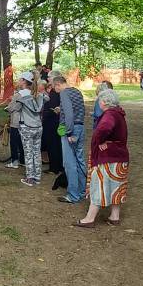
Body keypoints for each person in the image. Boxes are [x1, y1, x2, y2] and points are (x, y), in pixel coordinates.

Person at [74, 88, 129, 228]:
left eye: (99, 100)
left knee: (98, 186)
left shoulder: (109, 114)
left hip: (108, 158)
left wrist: (99, 141)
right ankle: (114, 217)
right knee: (116, 187)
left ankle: (90, 218)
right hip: (120, 157)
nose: (98, 103)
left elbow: (103, 129)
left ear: (104, 101)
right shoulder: (119, 113)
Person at [55, 74, 87, 204]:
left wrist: (68, 133)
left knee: (69, 163)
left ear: (58, 84)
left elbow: (68, 114)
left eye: (53, 87)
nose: (54, 90)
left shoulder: (64, 93)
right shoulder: (77, 91)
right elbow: (79, 110)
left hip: (70, 130)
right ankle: (83, 190)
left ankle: (73, 195)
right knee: (80, 161)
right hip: (80, 127)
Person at [13, 72, 45, 185]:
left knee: (28, 152)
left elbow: (13, 108)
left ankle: (29, 178)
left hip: (26, 126)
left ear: (23, 81)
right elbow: (46, 100)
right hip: (38, 126)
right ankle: (37, 176)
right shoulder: (39, 94)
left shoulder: (21, 95)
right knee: (37, 152)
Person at [4, 71, 30, 171]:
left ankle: (15, 161)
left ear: (23, 81)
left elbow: (12, 107)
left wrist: (7, 108)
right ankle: (23, 160)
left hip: (17, 120)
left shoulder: (19, 94)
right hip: (28, 121)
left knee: (14, 141)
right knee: (23, 141)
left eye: (20, 79)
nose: (18, 81)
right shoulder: (32, 93)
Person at [41, 73, 64, 178]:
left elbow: (54, 107)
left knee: (53, 145)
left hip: (52, 122)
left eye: (49, 77)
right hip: (52, 121)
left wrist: (49, 111)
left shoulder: (56, 92)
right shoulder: (55, 91)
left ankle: (54, 167)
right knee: (56, 145)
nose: (48, 78)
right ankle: (57, 166)